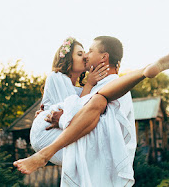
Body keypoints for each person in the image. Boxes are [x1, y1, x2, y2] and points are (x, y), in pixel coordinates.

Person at [14, 36, 169, 186]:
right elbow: (77, 107)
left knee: (98, 99)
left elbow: (97, 122)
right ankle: (143, 72)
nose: (86, 56)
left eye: (90, 51)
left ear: (104, 57)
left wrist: (62, 119)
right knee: (97, 99)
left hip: (99, 148)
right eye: (82, 53)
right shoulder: (95, 87)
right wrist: (50, 111)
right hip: (73, 142)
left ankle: (144, 72)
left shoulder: (112, 88)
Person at [28, 37, 109, 165]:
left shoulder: (79, 90)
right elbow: (74, 113)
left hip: (60, 134)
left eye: (85, 53)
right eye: (79, 54)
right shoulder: (56, 76)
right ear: (67, 59)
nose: (85, 57)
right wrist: (89, 84)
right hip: (45, 133)